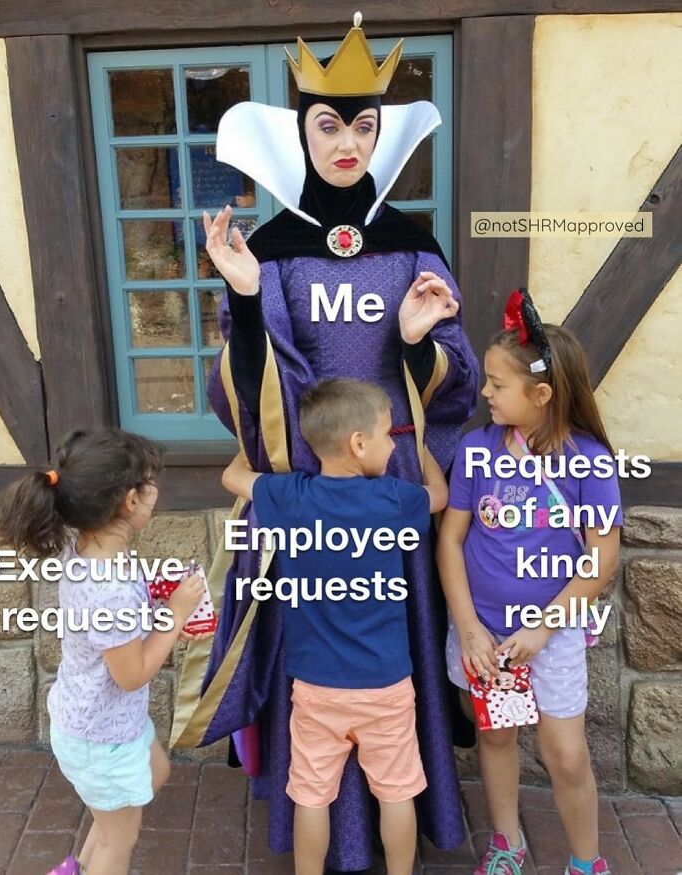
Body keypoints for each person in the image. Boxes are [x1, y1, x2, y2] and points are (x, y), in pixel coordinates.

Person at [173, 13, 479, 870]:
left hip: (391, 471)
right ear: (303, 131)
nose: (347, 143)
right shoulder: (270, 250)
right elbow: (243, 389)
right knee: (322, 663)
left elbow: (455, 371)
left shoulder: (413, 243)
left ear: (381, 134)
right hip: (308, 476)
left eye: (363, 126)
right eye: (329, 125)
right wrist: (243, 302)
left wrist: (417, 343)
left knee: (392, 657)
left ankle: (390, 814)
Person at [221, 378, 448, 875]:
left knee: (311, 795)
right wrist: (423, 446)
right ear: (359, 444)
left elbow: (233, 476)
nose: (394, 444)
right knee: (396, 792)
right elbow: (439, 495)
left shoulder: (290, 497)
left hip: (315, 685)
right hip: (386, 683)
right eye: (388, 434)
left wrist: (261, 438)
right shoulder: (392, 499)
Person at [437, 290, 621, 875]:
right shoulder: (475, 450)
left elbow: (601, 560)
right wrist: (468, 628)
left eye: (497, 384)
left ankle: (586, 862)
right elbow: (451, 540)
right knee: (495, 737)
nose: (485, 393)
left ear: (541, 395)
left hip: (552, 636)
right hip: (485, 635)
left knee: (565, 754)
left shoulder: (589, 461)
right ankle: (506, 843)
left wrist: (543, 629)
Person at [0, 428, 206, 875]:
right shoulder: (109, 586)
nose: (156, 491)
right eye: (150, 483)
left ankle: (76, 869)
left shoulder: (88, 549)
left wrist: (158, 613)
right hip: (101, 737)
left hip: (102, 720)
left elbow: (111, 629)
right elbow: (131, 675)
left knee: (154, 773)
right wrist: (175, 616)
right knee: (118, 839)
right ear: (130, 501)